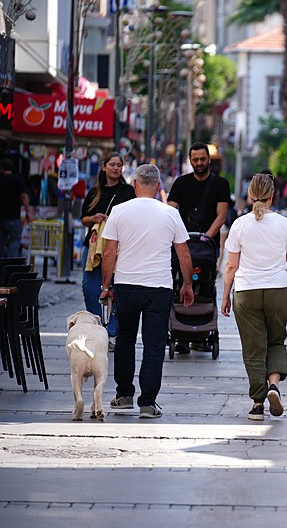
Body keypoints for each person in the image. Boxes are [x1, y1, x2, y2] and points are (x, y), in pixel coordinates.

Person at [100, 164, 194, 419]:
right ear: (158, 186)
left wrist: (106, 286)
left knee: (125, 340)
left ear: (135, 184)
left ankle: (123, 395)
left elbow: (109, 252)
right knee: (154, 344)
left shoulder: (119, 211)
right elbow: (183, 252)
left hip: (127, 285)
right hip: (159, 287)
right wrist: (187, 284)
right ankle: (148, 403)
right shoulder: (170, 213)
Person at [221, 173, 287, 421]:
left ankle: (258, 403)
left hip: (246, 292)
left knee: (253, 348)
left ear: (249, 195)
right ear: (272, 196)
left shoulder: (239, 224)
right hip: (278, 291)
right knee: (276, 341)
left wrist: (225, 295)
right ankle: (274, 386)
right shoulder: (283, 224)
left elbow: (230, 266)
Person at [80, 152, 136, 350]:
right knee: (89, 288)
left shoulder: (128, 191)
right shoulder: (95, 192)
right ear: (104, 167)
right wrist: (94, 218)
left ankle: (113, 331)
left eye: (119, 165)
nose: (116, 168)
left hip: (119, 246)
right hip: (94, 246)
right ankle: (99, 328)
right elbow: (83, 218)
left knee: (116, 290)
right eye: (112, 164)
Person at [167, 141, 230, 257]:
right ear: (190, 160)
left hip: (209, 246)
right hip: (183, 244)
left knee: (207, 275)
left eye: (203, 159)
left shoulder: (221, 184)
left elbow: (221, 216)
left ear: (209, 159)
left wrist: (205, 238)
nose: (199, 163)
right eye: (195, 160)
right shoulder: (180, 183)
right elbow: (169, 212)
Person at [0, 158, 34, 257]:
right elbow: (24, 196)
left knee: (1, 242)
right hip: (14, 217)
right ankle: (10, 264)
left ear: (2, 168)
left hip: (1, 218)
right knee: (15, 241)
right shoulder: (17, 180)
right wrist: (28, 212)